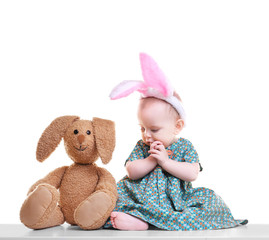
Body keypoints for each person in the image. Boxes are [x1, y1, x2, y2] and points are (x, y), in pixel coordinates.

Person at [104, 53, 247, 231]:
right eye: (142, 128)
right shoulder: (142, 147)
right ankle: (139, 221)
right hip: (139, 198)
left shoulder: (184, 146)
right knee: (111, 200)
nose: (147, 135)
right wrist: (152, 160)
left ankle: (148, 223)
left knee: (209, 201)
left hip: (176, 201)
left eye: (154, 129)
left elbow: (192, 173)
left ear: (177, 127)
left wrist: (166, 161)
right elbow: (131, 171)